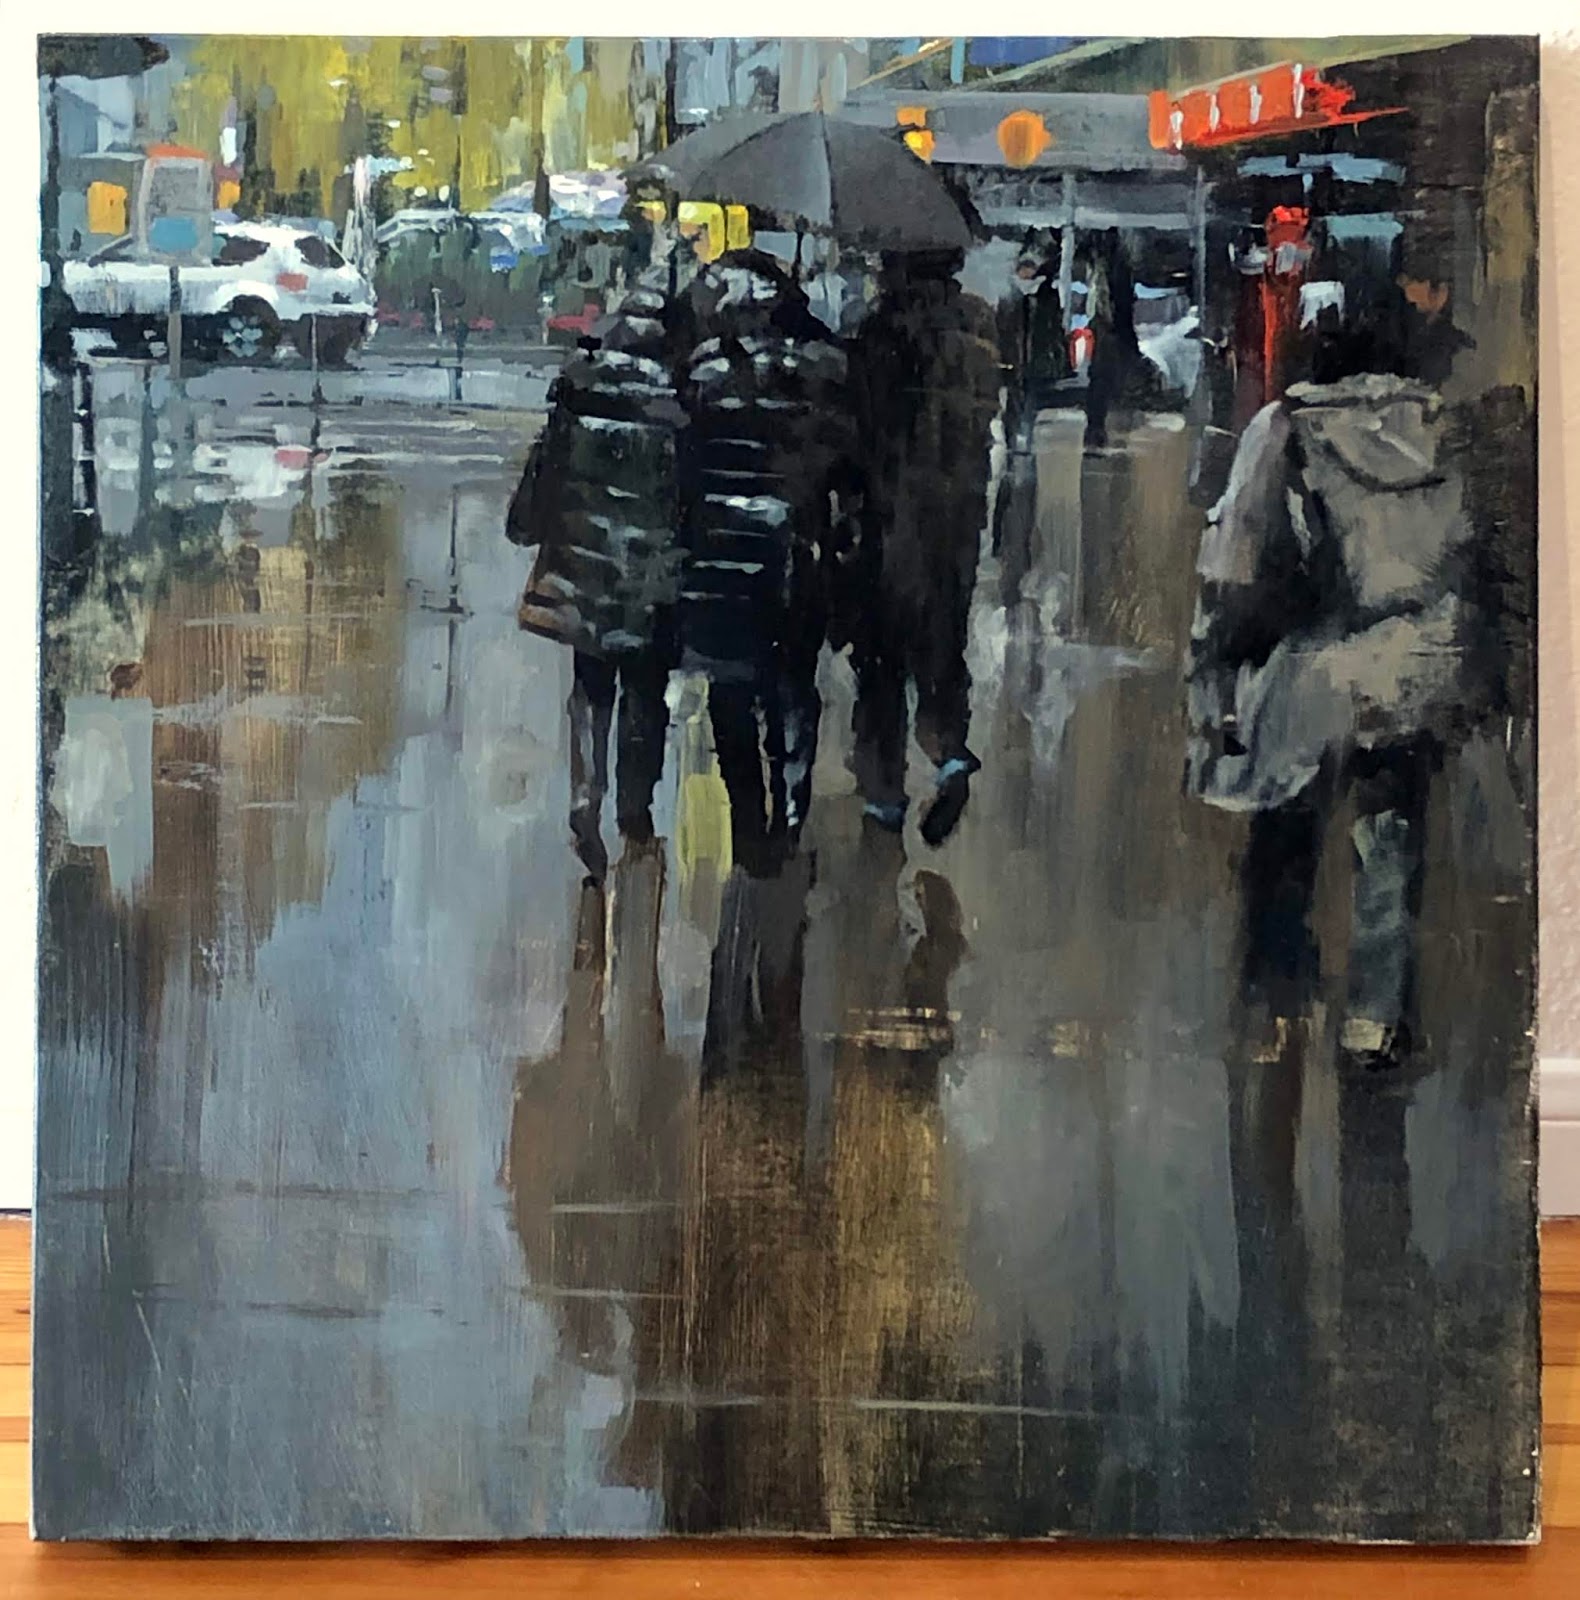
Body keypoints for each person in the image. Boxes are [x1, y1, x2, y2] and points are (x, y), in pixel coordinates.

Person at [1185, 315, 1489, 1071]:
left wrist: (1218, 671)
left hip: (1316, 674)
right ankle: (1375, 1019)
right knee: (1391, 837)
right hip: (1419, 664)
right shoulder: (1442, 430)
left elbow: (1238, 558)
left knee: (1286, 827)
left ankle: (1277, 1000)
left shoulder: (1288, 430)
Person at [506, 209, 698, 883]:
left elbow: (548, 467)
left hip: (585, 568)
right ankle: (635, 812)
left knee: (591, 688)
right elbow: (690, 492)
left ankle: (585, 801)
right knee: (646, 692)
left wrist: (530, 524)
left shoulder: (582, 375)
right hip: (651, 578)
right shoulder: (684, 391)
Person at [673, 247, 859, 876]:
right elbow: (845, 469)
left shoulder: (702, 373)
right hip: (793, 556)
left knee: (730, 693)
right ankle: (791, 812)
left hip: (720, 559)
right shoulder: (825, 371)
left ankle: (749, 824)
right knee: (792, 687)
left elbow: (683, 469)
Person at [845, 249, 1002, 845]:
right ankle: (950, 754)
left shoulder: (880, 335)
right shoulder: (978, 329)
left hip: (890, 523)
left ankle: (884, 798)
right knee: (942, 651)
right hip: (955, 522)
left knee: (881, 665)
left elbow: (861, 432)